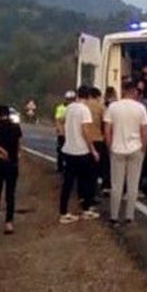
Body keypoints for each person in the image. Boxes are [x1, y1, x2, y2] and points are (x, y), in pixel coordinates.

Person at [104, 82, 147, 224]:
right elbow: (145, 131)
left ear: (123, 91)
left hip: (117, 148)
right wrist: (143, 148)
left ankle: (114, 216)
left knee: (116, 185)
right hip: (135, 148)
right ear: (134, 92)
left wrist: (109, 147)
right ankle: (129, 216)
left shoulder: (113, 107)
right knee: (133, 185)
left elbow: (107, 130)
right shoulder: (140, 108)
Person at [58, 87, 100, 223]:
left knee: (68, 182)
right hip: (82, 151)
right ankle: (86, 209)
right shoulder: (84, 109)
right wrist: (93, 149)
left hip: (68, 150)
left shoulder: (69, 107)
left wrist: (65, 135)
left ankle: (63, 212)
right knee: (88, 180)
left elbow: (60, 120)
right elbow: (85, 131)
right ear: (87, 97)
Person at [0, 105, 22, 235]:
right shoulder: (16, 127)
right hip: (12, 163)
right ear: (8, 114)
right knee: (10, 194)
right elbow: (18, 143)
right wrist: (17, 154)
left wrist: (1, 150)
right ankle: (9, 223)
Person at [82, 86, 109, 195]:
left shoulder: (83, 106)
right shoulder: (101, 107)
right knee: (100, 165)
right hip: (98, 139)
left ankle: (84, 189)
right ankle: (102, 188)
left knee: (86, 167)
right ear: (98, 96)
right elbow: (106, 124)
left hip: (84, 140)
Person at [54, 90, 75, 173]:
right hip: (63, 133)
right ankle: (60, 167)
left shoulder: (76, 108)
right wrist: (60, 131)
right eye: (68, 99)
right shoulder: (61, 108)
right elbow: (58, 120)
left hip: (72, 133)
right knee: (60, 150)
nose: (70, 101)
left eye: (71, 99)